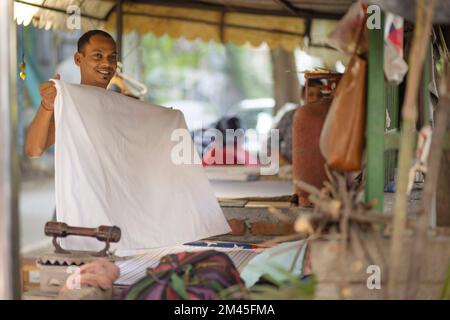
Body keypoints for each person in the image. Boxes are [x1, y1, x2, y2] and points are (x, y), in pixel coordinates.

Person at [25, 30, 118, 157]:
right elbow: (33, 149)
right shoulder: (70, 104)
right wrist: (47, 105)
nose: (106, 63)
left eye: (112, 57)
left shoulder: (120, 105)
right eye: (98, 55)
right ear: (78, 59)